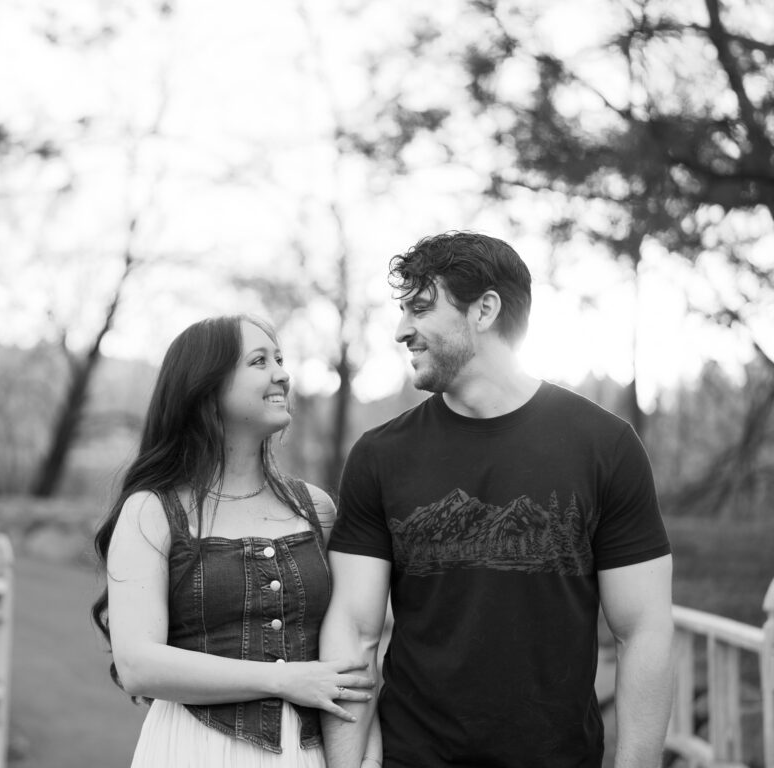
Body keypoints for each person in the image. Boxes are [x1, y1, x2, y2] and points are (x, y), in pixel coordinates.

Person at [320, 232, 674, 768]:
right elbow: (355, 631)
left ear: (484, 309)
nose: (401, 331)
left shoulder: (606, 446)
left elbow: (643, 630)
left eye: (420, 308)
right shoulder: (378, 456)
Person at [92, 314, 375, 768]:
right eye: (259, 361)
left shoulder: (316, 508)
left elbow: (363, 644)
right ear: (207, 387)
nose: (282, 373)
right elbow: (137, 665)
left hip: (309, 756)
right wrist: (284, 680)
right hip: (194, 751)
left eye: (280, 359)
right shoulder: (152, 511)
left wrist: (369, 758)